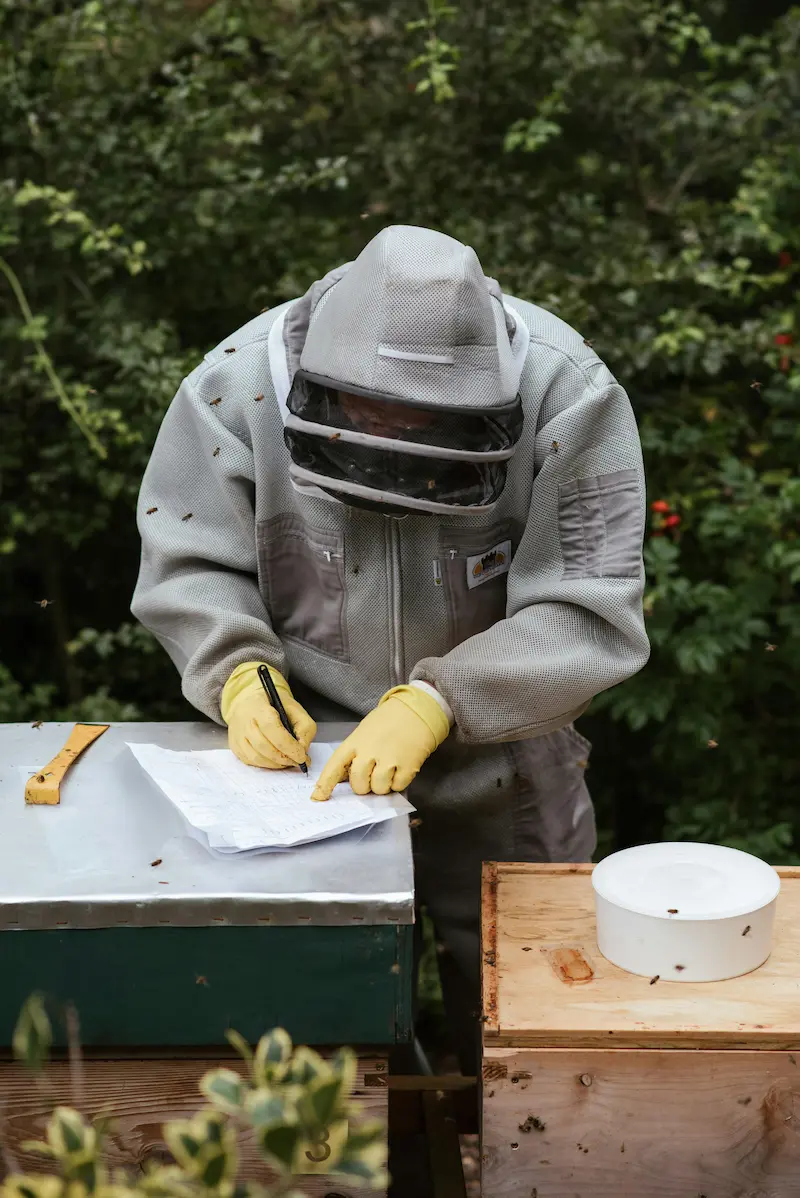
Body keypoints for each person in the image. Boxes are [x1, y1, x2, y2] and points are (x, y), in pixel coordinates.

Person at [132, 224, 649, 1072]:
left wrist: (439, 700)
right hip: (307, 774)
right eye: (375, 419)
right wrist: (236, 671)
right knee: (331, 1033)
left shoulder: (569, 394)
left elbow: (590, 609)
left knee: (532, 1036)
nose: (397, 438)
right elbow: (188, 558)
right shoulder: (235, 387)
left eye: (424, 427)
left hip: (510, 756)